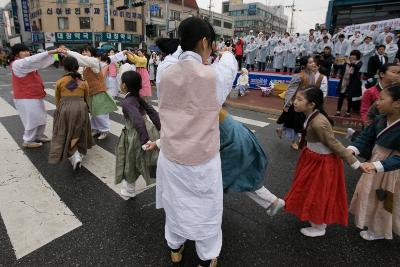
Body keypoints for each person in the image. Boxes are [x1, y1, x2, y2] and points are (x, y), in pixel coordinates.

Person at [155, 17, 237, 267]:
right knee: (206, 211)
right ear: (205, 42)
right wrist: (225, 52)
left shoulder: (164, 72)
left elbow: (175, 56)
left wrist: (186, 44)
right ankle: (206, 257)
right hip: (202, 161)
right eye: (210, 45)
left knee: (176, 206)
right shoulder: (215, 76)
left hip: (171, 158)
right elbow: (230, 63)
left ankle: (175, 247)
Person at [284, 86, 363, 237]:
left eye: (299, 99)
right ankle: (315, 219)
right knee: (310, 190)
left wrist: (355, 164)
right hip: (313, 158)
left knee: (319, 193)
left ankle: (319, 226)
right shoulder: (311, 115)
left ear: (311, 104)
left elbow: (334, 145)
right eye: (296, 98)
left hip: (322, 162)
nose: (295, 102)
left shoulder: (318, 122)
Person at [348, 83, 400, 241]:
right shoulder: (380, 119)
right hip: (376, 162)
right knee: (369, 193)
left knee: (387, 199)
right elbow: (365, 137)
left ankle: (379, 229)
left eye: (382, 99)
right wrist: (352, 149)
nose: (377, 102)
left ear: (397, 103)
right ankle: (373, 223)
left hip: (392, 169)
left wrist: (378, 166)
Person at [115, 71, 160, 198]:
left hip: (135, 133)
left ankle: (129, 189)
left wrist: (144, 140)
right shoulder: (138, 97)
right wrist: (160, 128)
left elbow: (137, 119)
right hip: (148, 129)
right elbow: (152, 111)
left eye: (121, 81)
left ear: (124, 85)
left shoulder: (127, 102)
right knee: (150, 159)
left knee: (130, 161)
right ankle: (160, 180)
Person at [64, 46, 119, 140]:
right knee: (93, 113)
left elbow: (82, 59)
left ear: (92, 52)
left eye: (86, 51)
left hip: (98, 91)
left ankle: (104, 130)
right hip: (90, 92)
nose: (84, 53)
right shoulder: (85, 65)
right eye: (83, 51)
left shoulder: (94, 61)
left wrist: (68, 51)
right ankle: (95, 129)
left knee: (100, 113)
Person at [48, 56, 93, 170]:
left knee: (66, 132)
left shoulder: (60, 82)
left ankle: (74, 155)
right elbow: (87, 98)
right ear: (77, 67)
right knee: (80, 130)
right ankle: (80, 153)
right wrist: (87, 109)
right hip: (81, 107)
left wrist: (60, 111)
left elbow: (58, 99)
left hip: (66, 108)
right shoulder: (84, 82)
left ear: (64, 67)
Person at [11, 44, 59, 148]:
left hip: (34, 95)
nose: (26, 52)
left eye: (27, 50)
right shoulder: (17, 64)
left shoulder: (29, 65)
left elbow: (41, 63)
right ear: (16, 54)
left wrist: (54, 54)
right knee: (32, 119)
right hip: (25, 97)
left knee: (41, 117)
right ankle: (28, 140)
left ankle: (38, 135)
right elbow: (31, 60)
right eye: (23, 51)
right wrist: (49, 52)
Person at [276, 56, 327, 150]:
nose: (313, 64)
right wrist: (286, 104)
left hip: (305, 103)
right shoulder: (298, 76)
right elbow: (290, 91)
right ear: (304, 65)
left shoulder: (312, 75)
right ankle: (294, 142)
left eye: (313, 62)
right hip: (296, 104)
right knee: (298, 124)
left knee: (293, 122)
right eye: (310, 62)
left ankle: (281, 130)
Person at [335, 50, 363, 117]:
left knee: (350, 98)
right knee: (341, 97)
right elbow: (339, 67)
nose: (352, 56)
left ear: (357, 56)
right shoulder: (346, 62)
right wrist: (337, 62)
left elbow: (357, 67)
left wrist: (349, 63)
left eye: (354, 55)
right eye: (351, 55)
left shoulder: (359, 63)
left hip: (352, 83)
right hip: (344, 82)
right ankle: (338, 111)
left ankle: (348, 113)